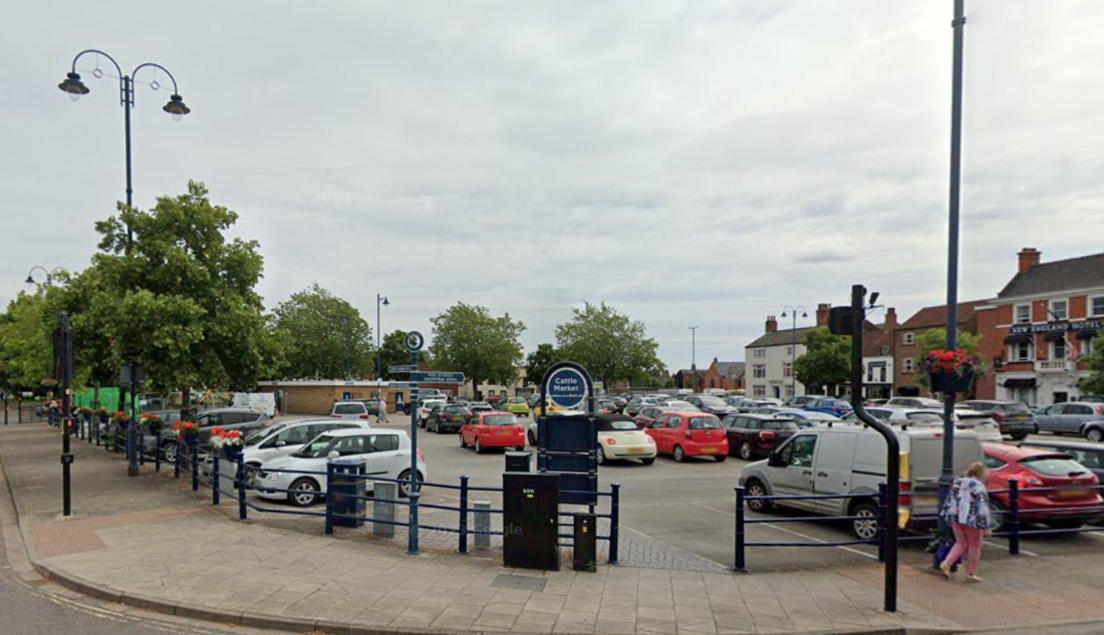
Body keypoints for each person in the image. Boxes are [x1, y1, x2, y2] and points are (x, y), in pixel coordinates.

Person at [939, 461, 992, 582]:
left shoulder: (958, 481)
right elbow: (982, 507)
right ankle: (970, 573)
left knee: (961, 542)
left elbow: (950, 499)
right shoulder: (978, 486)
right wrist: (986, 526)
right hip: (972, 520)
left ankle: (947, 562)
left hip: (955, 516)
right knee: (975, 545)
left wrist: (946, 514)